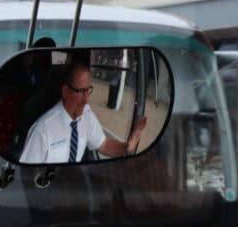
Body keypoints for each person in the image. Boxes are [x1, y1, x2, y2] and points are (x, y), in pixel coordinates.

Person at [19, 62, 147, 164]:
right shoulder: (42, 130)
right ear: (65, 91)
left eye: (88, 90)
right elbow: (27, 175)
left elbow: (104, 144)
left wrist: (126, 148)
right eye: (80, 91)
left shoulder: (86, 115)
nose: (86, 100)